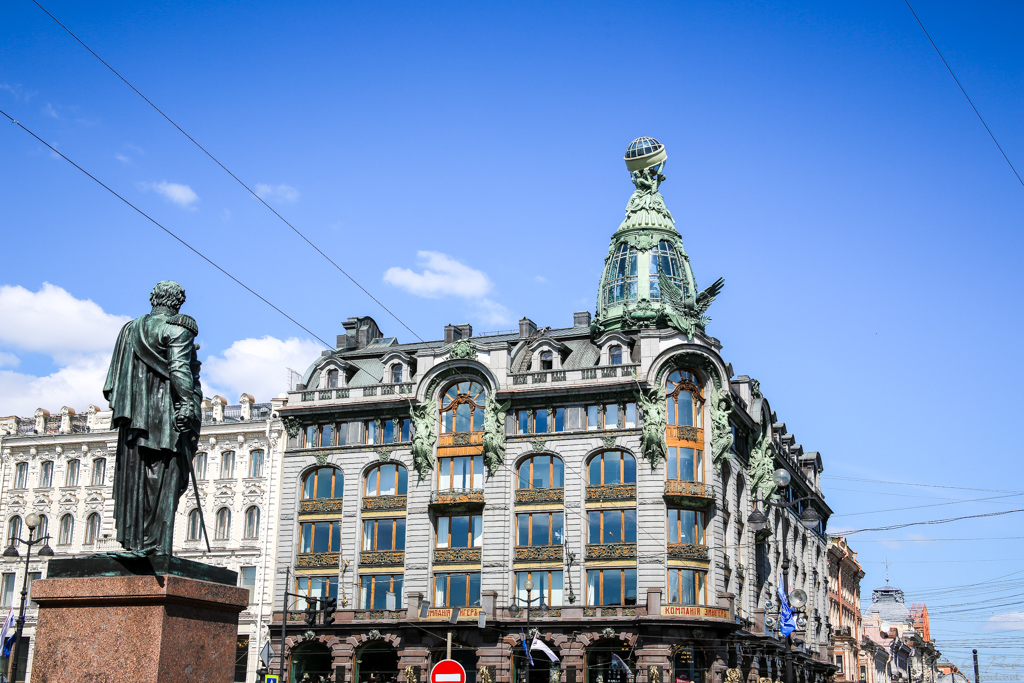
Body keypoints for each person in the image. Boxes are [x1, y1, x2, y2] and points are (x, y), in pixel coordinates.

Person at [104, 280, 202, 556]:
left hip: (135, 417)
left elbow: (116, 379)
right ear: (178, 302)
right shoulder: (177, 328)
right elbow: (180, 370)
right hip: (166, 417)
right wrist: (186, 406)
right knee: (165, 477)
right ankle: (156, 546)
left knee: (135, 475)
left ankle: (133, 541)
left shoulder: (130, 329)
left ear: (153, 298)